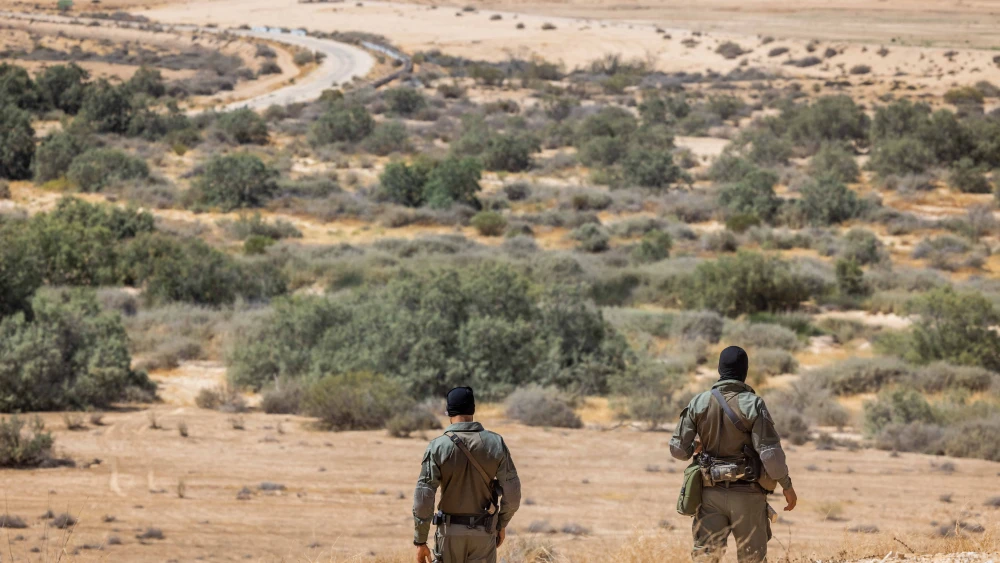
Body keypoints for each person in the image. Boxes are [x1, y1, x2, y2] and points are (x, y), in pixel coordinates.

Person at [670, 346, 797, 563]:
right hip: (748, 495)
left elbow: (678, 450)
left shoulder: (698, 402)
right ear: (744, 371)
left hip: (709, 495)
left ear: (720, 370)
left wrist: (695, 449)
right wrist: (787, 486)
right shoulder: (753, 404)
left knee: (706, 558)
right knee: (752, 559)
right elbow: (770, 454)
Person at [412, 386, 521, 563]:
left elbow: (424, 497)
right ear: (473, 410)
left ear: (449, 412)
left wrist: (420, 541)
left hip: (449, 534)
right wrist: (501, 524)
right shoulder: (495, 443)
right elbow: (513, 493)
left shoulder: (438, 447)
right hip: (484, 534)